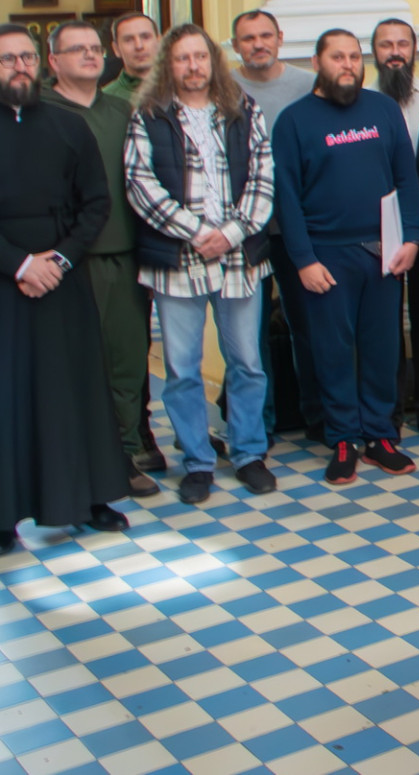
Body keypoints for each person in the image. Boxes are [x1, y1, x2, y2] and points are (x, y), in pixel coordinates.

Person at [0, 24, 132, 557]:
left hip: (63, 278)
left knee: (77, 389)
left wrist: (60, 259)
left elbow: (97, 203)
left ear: (39, 63)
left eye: (26, 57)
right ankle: (2, 518)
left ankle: (93, 498)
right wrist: (20, 263)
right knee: (2, 396)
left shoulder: (70, 128)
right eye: (6, 59)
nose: (19, 67)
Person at [123, 25, 278, 505]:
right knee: (183, 369)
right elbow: (139, 183)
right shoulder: (148, 115)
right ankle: (197, 462)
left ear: (213, 61)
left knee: (248, 364)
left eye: (200, 57)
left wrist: (230, 234)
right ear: (168, 64)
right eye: (182, 58)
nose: (193, 67)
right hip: (177, 259)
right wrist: (194, 232)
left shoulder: (242, 110)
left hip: (238, 256)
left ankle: (249, 453)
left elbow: (263, 177)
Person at [271, 30, 419, 485]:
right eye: (337, 57)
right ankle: (342, 437)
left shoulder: (383, 110)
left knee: (382, 347)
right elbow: (287, 198)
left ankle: (380, 435)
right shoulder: (294, 121)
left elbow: (407, 179)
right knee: (333, 350)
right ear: (318, 61)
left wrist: (413, 239)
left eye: (354, 57)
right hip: (325, 255)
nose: (348, 64)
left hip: (383, 250)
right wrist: (303, 260)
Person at [40, 21, 156, 497]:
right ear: (53, 61)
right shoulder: (41, 113)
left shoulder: (122, 110)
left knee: (127, 365)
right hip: (65, 262)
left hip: (125, 255)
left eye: (93, 49)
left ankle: (123, 455)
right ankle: (72, 462)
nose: (89, 56)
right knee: (71, 368)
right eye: (76, 49)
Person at [232, 10, 321, 443]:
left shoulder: (308, 85)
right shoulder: (223, 88)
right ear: (236, 46)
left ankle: (315, 417)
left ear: (281, 38)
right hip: (241, 233)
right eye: (248, 38)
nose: (258, 44)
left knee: (306, 325)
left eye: (265, 35)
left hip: (295, 229)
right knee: (249, 336)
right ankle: (259, 425)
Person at [370, 19, 419, 441]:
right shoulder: (361, 102)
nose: (394, 51)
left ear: (415, 48)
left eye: (402, 43)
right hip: (375, 225)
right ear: (375, 52)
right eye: (386, 45)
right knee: (381, 323)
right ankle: (388, 411)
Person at [103, 12, 161, 105]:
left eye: (145, 37)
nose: (139, 46)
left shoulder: (182, 89)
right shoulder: (105, 102)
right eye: (128, 40)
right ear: (116, 49)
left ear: (159, 42)